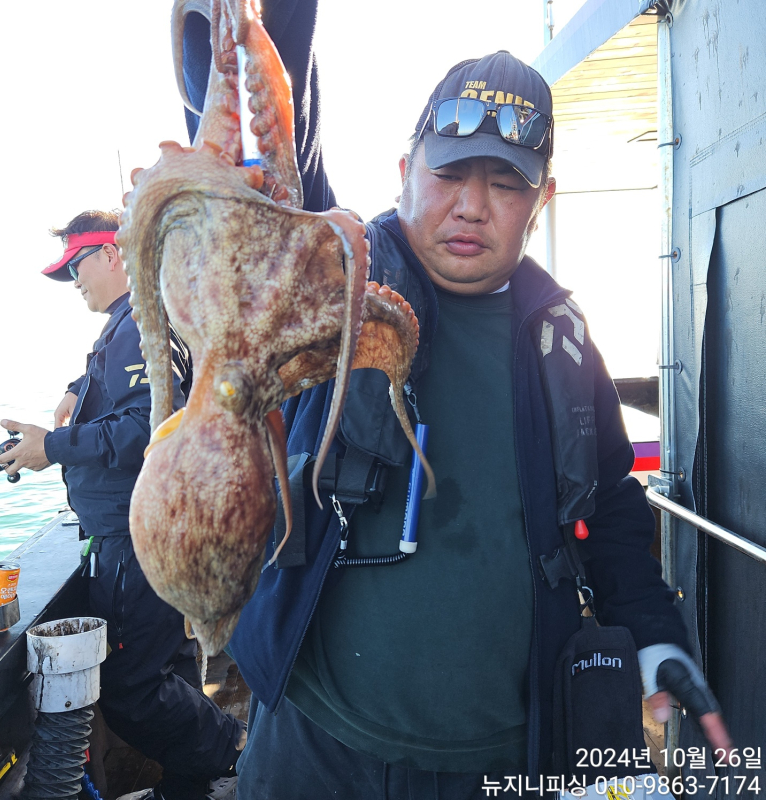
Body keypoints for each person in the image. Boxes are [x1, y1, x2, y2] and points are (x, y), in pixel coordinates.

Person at [180, 4, 733, 798]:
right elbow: (268, 158)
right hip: (316, 739)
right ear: (404, 167)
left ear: (541, 200)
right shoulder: (330, 282)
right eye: (450, 173)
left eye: (507, 183)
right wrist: (255, 24)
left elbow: (610, 503)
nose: (473, 205)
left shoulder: (563, 342)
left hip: (505, 757)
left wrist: (654, 632)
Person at [0, 210, 244, 800]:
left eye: (77, 266)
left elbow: (144, 424)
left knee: (130, 689)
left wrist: (49, 448)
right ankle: (193, 785)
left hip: (136, 540)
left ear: (113, 255)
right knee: (171, 672)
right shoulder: (137, 322)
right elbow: (139, 398)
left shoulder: (136, 325)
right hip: (153, 532)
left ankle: (235, 748)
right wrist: (77, 389)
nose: (74, 281)